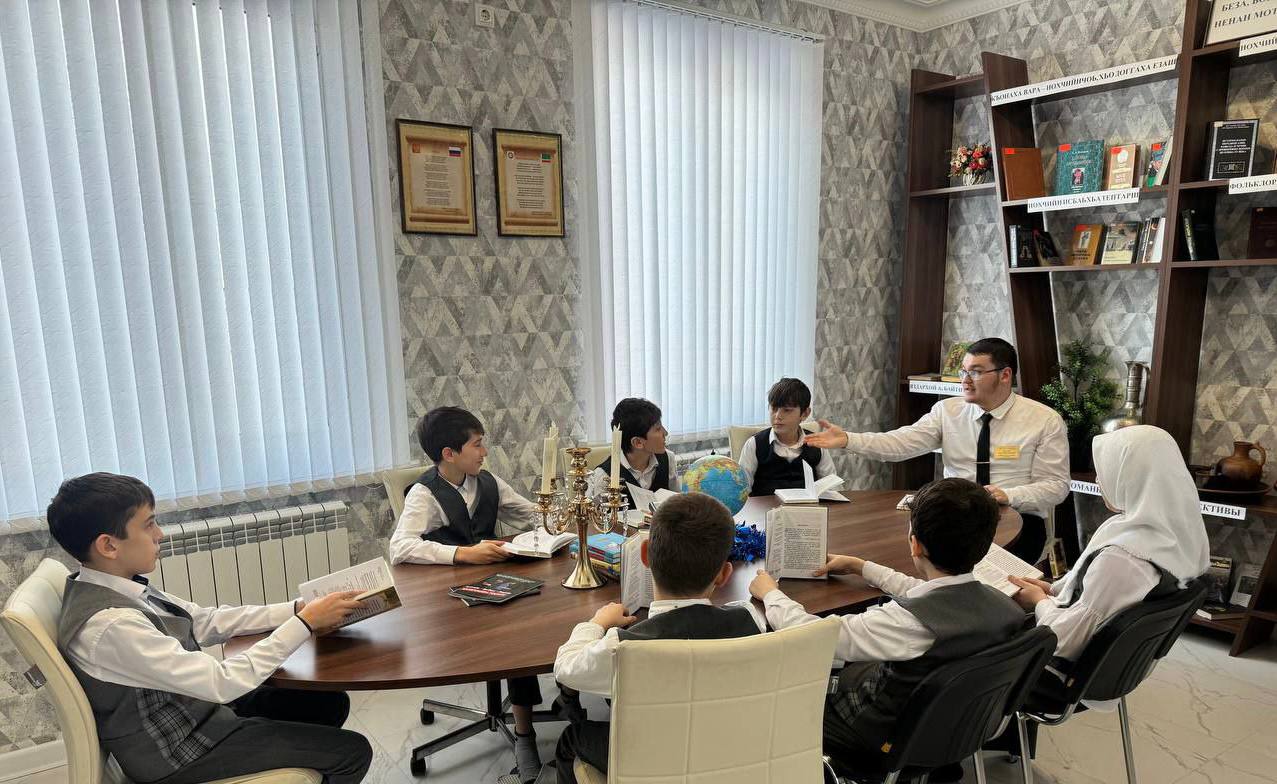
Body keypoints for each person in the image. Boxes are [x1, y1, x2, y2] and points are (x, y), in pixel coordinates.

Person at [50, 473, 373, 784]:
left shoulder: (120, 586)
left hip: (197, 713)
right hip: (178, 752)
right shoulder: (111, 625)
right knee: (352, 752)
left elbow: (204, 620)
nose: (160, 534)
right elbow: (221, 683)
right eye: (149, 525)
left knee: (328, 703)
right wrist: (304, 624)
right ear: (108, 546)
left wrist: (296, 609)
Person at [749, 478, 1024, 782]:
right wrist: (862, 567)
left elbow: (813, 635)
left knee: (783, 691)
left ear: (914, 544)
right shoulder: (1003, 605)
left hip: (878, 737)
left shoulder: (906, 623)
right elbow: (929, 592)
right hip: (951, 727)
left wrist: (770, 594)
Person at [552, 493, 766, 782]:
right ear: (724, 574)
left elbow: (565, 667)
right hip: (727, 753)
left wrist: (597, 622)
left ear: (644, 555)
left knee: (571, 737)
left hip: (652, 762)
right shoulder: (750, 620)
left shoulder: (620, 647)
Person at [805, 337, 1068, 563]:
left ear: (1005, 375)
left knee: (983, 576)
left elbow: (1056, 486)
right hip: (957, 516)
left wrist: (1008, 495)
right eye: (963, 372)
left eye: (976, 372)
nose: (965, 381)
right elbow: (901, 443)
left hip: (1018, 518)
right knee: (904, 556)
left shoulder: (1044, 420)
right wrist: (848, 439)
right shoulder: (947, 411)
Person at [387, 406, 545, 782]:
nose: (484, 452)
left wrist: (548, 521)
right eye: (477, 444)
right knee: (515, 641)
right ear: (449, 453)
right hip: (450, 602)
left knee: (531, 621)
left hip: (497, 587)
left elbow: (531, 515)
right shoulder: (425, 493)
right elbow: (400, 548)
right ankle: (525, 737)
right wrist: (463, 554)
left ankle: (548, 707)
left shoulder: (487, 482)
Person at [1009, 425, 1209, 672]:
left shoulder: (1125, 558)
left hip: (1056, 670)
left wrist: (1038, 601)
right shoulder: (1179, 534)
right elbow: (1106, 600)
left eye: (1106, 471)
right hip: (1118, 667)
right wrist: (1051, 590)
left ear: (1130, 477)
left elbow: (1063, 641)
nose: (1097, 480)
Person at [736, 377, 836, 496]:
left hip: (807, 506)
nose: (777, 416)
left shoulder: (817, 443)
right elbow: (741, 491)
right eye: (774, 408)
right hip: (766, 507)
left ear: (805, 414)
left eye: (787, 410)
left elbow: (832, 488)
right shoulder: (754, 444)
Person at [585, 398, 679, 507]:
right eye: (658, 429)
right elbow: (594, 514)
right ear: (637, 442)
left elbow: (677, 502)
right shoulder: (604, 475)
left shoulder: (667, 458)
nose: (665, 433)